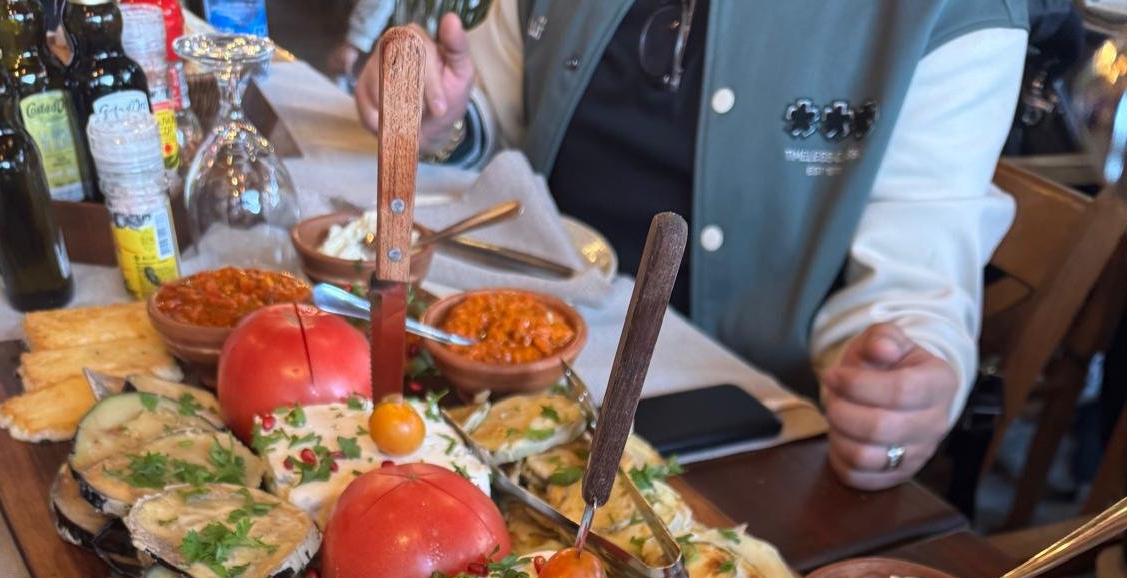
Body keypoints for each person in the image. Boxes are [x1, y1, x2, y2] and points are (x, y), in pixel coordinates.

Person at [354, 1, 1031, 491]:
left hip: (724, 446)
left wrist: (901, 378)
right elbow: (501, 111)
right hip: (500, 361)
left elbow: (918, 267)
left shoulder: (958, 15)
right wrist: (444, 113)